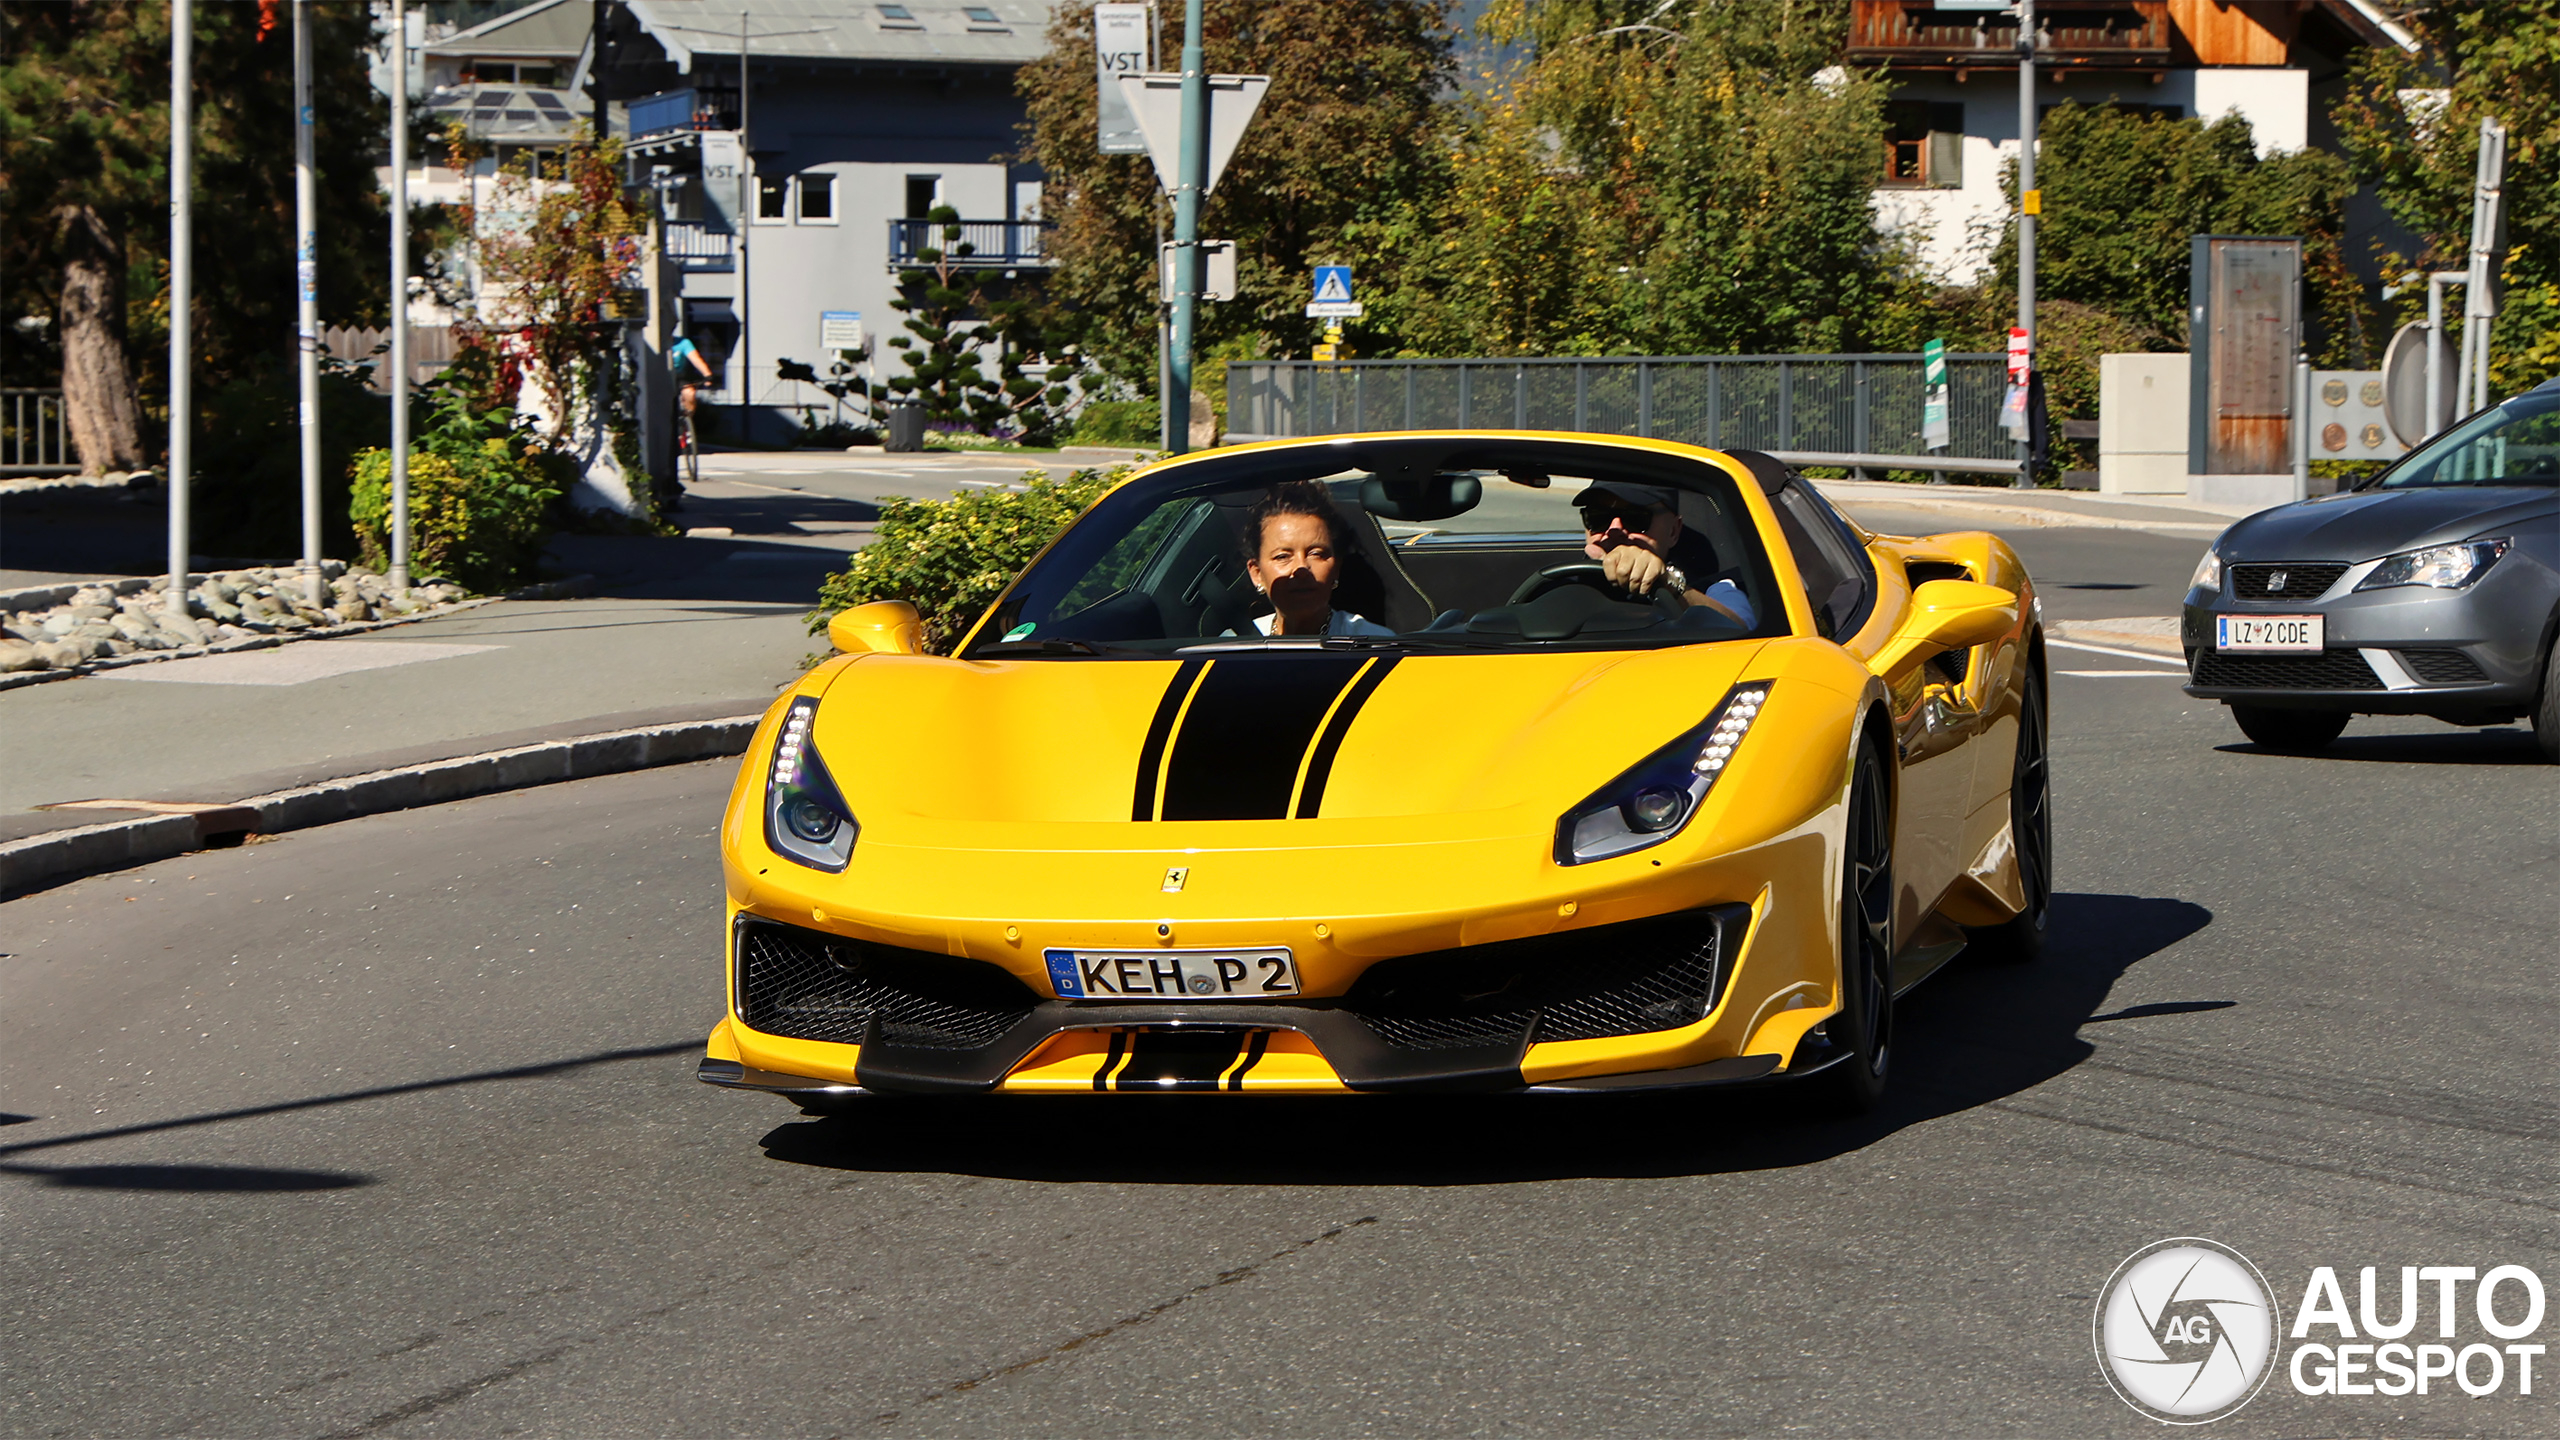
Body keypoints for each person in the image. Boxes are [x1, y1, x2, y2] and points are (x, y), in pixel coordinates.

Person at [1573, 481, 1754, 627]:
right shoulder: (1559, 582)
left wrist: (1667, 582)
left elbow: (1743, 630)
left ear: (1673, 531)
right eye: (1598, 518)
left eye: (1635, 518)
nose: (1614, 529)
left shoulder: (1712, 588)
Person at [1242, 483, 1396, 638]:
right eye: (1283, 556)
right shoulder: (1232, 645)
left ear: (1336, 568)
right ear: (1256, 573)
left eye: (1316, 554)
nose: (1301, 569)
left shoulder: (1377, 644)